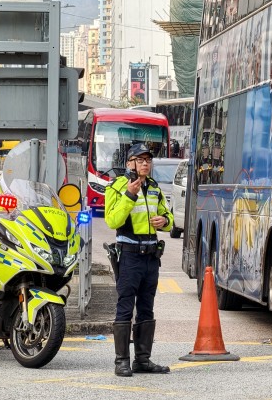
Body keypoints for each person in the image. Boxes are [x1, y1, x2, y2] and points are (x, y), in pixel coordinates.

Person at [104, 143, 174, 377]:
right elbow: (112, 220)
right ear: (129, 163)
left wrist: (165, 222)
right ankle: (121, 361)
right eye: (140, 159)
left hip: (151, 257)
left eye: (148, 160)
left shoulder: (154, 188)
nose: (145, 163)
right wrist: (130, 196)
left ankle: (142, 360)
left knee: (147, 307)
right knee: (125, 306)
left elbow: (169, 216)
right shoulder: (117, 187)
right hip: (130, 256)